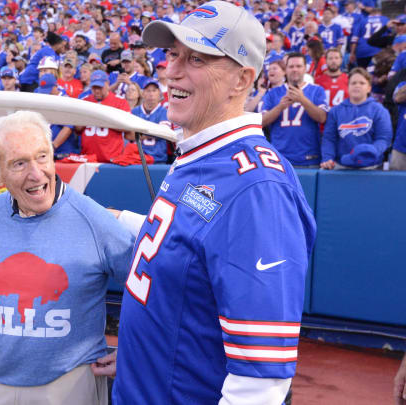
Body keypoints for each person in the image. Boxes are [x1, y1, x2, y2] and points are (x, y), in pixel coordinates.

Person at [106, 3, 317, 404]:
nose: (172, 71)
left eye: (197, 58)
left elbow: (259, 384)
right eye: (172, 55)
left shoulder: (259, 190)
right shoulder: (202, 151)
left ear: (242, 79)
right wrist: (145, 355)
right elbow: (187, 248)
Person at [0, 110, 134, 405]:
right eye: (19, 163)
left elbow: (156, 292)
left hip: (68, 384)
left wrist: (134, 350)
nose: (37, 174)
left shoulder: (94, 220)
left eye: (43, 157)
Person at [261, 53, 328, 167]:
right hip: (279, 158)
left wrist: (302, 99)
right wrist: (280, 106)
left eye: (298, 66)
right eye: (291, 66)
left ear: (305, 68)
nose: (295, 70)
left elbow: (322, 118)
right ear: (286, 70)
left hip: (309, 158)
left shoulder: (317, 90)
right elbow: (261, 122)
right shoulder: (273, 93)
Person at [321, 68, 393, 170]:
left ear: (369, 88)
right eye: (353, 83)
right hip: (342, 167)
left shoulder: (379, 110)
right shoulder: (336, 111)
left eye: (362, 83)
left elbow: (384, 139)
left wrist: (367, 153)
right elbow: (329, 138)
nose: (357, 85)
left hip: (372, 167)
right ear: (348, 86)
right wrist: (328, 158)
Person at [80, 70, 131, 162]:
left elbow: (127, 127)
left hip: (111, 157)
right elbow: (77, 128)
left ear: (107, 84)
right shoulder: (84, 101)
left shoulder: (120, 101)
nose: (97, 91)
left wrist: (103, 119)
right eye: (94, 88)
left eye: (100, 87)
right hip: (88, 157)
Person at [131, 79, 172, 163]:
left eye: (154, 90)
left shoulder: (165, 112)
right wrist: (153, 131)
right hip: (135, 158)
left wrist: (138, 133)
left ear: (159, 93)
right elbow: (128, 135)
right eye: (148, 90)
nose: (151, 94)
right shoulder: (134, 111)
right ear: (142, 93)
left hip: (157, 159)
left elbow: (163, 132)